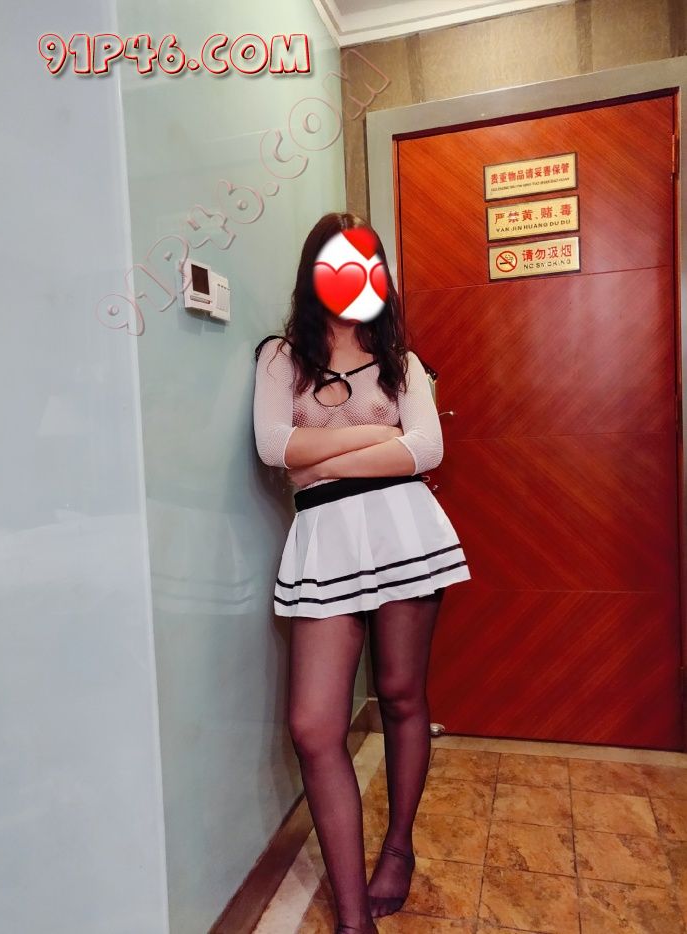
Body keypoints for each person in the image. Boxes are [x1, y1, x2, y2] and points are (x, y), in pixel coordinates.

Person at [253, 212, 471, 934]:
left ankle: (398, 847)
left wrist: (323, 456)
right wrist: (380, 433)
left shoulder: (399, 360)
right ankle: (353, 917)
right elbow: (274, 446)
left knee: (402, 696)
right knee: (315, 725)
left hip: (404, 531)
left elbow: (426, 451)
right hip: (323, 543)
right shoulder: (282, 358)